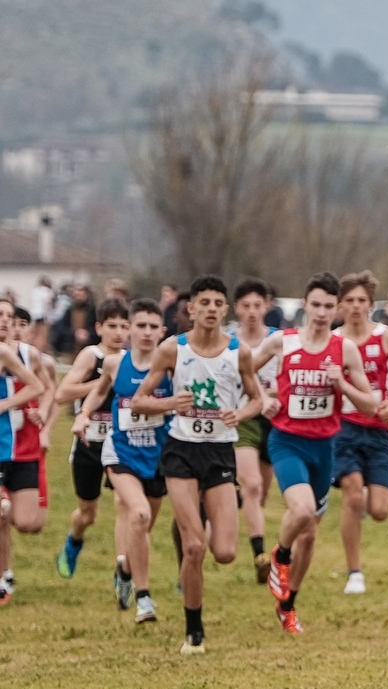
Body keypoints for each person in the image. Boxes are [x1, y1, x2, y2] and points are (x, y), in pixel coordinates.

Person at [130, 275, 267, 655]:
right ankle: (194, 633)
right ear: (190, 309)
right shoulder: (172, 349)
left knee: (224, 552)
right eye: (203, 302)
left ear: (226, 310)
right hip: (181, 451)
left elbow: (259, 400)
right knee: (195, 548)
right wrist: (170, 404)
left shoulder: (238, 353)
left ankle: (201, 514)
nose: (210, 308)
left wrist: (239, 414)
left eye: (216, 303)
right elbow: (139, 401)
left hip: (220, 452)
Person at [251, 273, 382, 633]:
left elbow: (370, 404)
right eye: (316, 305)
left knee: (310, 531)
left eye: (329, 306)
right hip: (287, 441)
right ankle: (280, 555)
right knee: (303, 510)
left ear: (337, 308)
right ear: (304, 305)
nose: (322, 313)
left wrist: (341, 383)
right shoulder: (283, 342)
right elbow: (243, 367)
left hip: (325, 446)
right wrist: (263, 399)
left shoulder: (345, 350)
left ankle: (288, 604)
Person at [79, 299, 169, 622]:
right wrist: (84, 415)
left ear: (163, 330)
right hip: (121, 453)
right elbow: (100, 391)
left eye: (152, 326)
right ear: (130, 329)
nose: (146, 332)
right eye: (140, 326)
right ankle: (144, 600)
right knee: (139, 514)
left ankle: (125, 570)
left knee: (142, 528)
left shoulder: (170, 367)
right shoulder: (117, 363)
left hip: (158, 456)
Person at [334, 271, 388, 596]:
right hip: (344, 427)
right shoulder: (334, 341)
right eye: (350, 301)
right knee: (353, 496)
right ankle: (354, 572)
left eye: (362, 301)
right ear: (341, 305)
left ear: (371, 305)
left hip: (379, 430)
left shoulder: (386, 336)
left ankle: (372, 492)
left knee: (380, 511)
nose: (356, 307)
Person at [52, 298, 130, 579]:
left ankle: (123, 569)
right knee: (88, 514)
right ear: (99, 327)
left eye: (124, 326)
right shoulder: (91, 355)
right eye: (112, 326)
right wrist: (101, 382)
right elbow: (62, 393)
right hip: (89, 443)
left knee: (125, 503)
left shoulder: (131, 359)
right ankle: (74, 541)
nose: (118, 332)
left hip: (121, 444)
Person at [0, 300, 56, 599]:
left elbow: (46, 389)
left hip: (23, 446)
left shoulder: (23, 355)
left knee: (27, 522)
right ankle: (4, 575)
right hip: (4, 446)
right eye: (1, 315)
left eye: (10, 317)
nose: (6, 321)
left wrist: (43, 417)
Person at [231, 278, 279, 583]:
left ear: (267, 306)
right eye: (245, 306)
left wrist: (274, 396)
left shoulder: (279, 340)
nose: (251, 312)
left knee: (260, 493)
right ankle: (260, 555)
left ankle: (233, 504)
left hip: (274, 420)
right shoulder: (228, 342)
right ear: (236, 308)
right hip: (243, 418)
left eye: (257, 306)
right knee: (252, 485)